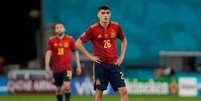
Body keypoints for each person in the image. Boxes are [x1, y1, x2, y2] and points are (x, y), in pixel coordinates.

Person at [76, 4, 128, 101]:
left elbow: (124, 40)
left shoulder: (116, 26)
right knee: (99, 94)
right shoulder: (92, 29)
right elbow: (78, 43)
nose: (105, 15)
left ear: (110, 14)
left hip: (114, 65)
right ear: (98, 15)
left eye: (107, 13)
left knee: (123, 91)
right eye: (103, 13)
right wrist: (91, 57)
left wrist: (121, 56)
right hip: (100, 65)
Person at [45, 22, 82, 101]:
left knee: (67, 86)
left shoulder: (70, 39)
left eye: (61, 27)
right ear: (55, 30)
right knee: (58, 89)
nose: (59, 29)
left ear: (64, 29)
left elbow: (75, 52)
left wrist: (78, 66)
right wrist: (47, 65)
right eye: (57, 28)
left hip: (67, 68)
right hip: (56, 69)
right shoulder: (51, 40)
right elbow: (48, 53)